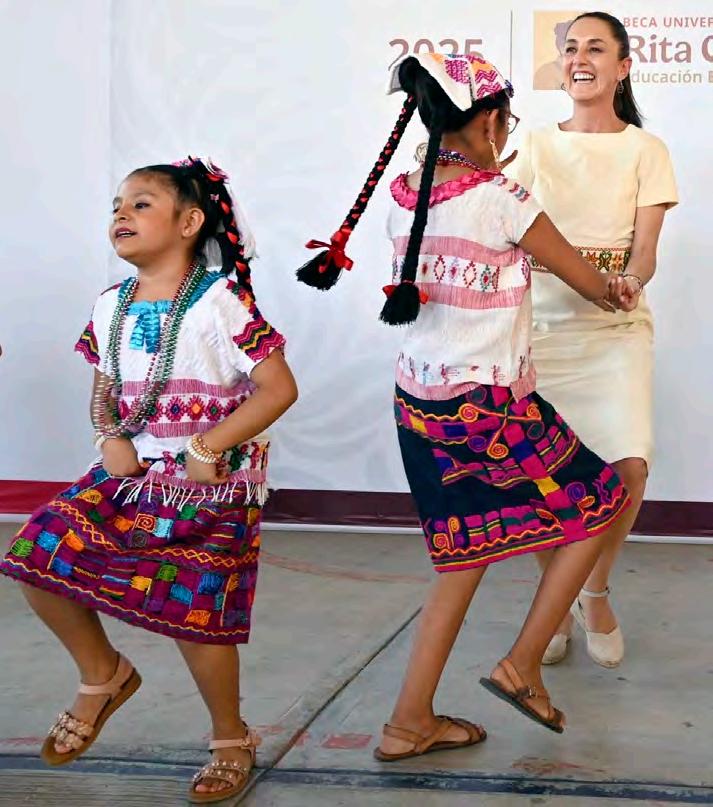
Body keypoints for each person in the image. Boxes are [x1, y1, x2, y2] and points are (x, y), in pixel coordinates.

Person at [297, 52, 636, 753]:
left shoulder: (402, 198)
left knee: (461, 555)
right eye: (504, 122)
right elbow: (585, 280)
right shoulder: (502, 197)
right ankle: (521, 665)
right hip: (491, 407)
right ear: (487, 122)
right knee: (600, 502)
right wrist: (620, 290)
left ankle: (407, 723)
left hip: (419, 404)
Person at [0, 157, 298, 803]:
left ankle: (230, 737)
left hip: (209, 489)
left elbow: (278, 388)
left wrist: (207, 444)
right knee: (34, 555)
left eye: (140, 204)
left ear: (189, 223)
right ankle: (102, 674)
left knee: (197, 618)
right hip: (132, 478)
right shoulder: (110, 305)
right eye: (117, 205)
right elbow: (104, 390)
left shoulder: (220, 301)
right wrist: (108, 436)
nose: (121, 215)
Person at [507, 12, 678, 668]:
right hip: (539, 326)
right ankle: (553, 602)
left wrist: (630, 280)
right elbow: (509, 232)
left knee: (628, 465)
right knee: (541, 475)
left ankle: (592, 591)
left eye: (596, 48)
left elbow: (645, 250)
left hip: (614, 326)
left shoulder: (646, 150)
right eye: (571, 48)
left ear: (622, 67)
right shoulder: (532, 145)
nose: (580, 58)